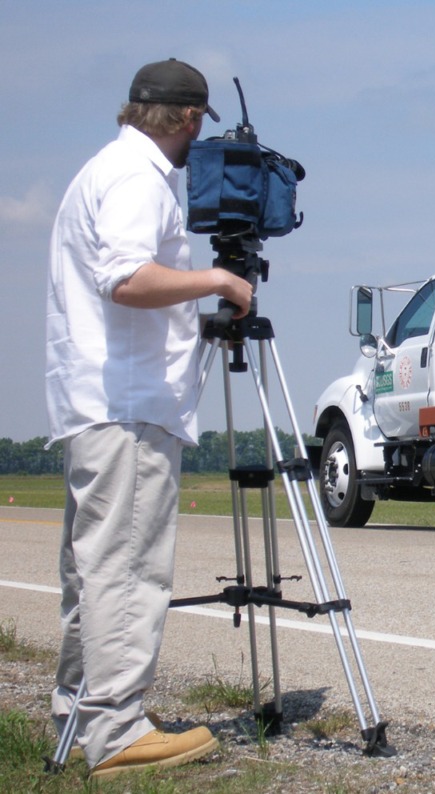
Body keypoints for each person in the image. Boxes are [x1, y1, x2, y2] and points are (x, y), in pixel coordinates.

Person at [45, 58, 254, 779]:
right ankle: (116, 731)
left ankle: (83, 715)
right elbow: (128, 278)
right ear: (190, 120)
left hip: (99, 400)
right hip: (128, 409)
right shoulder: (138, 178)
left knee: (93, 568)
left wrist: (194, 310)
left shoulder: (104, 169)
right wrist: (219, 279)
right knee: (127, 570)